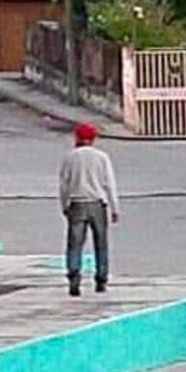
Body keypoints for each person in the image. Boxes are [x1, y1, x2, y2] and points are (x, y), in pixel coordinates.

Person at [58, 123, 120, 297]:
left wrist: (64, 205)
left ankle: (74, 278)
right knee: (101, 243)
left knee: (75, 244)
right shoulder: (102, 157)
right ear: (93, 139)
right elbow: (110, 183)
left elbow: (64, 185)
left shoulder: (69, 158)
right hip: (97, 203)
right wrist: (115, 207)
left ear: (77, 138)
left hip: (77, 203)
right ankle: (101, 279)